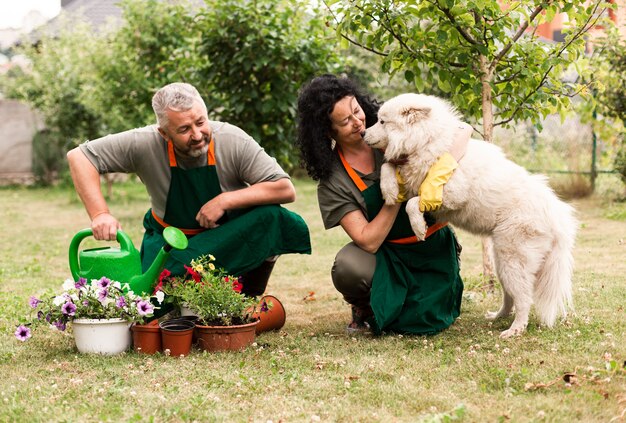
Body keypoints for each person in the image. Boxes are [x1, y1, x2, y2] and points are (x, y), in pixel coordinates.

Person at [67, 82, 311, 297]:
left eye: (201, 122)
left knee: (272, 216)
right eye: (184, 129)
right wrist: (100, 214)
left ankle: (249, 289)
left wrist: (225, 200)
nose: (197, 135)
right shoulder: (143, 143)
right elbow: (79, 156)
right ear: (163, 133)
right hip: (171, 245)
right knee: (153, 307)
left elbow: (284, 188)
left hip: (223, 240)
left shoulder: (232, 139)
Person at [296, 74, 472, 334]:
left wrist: (440, 173)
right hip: (385, 253)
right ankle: (366, 306)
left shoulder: (390, 129)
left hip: (429, 245)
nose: (358, 123)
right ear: (327, 131)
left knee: (426, 320)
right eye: (345, 121)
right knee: (348, 266)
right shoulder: (333, 181)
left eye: (357, 111)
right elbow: (368, 241)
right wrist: (395, 196)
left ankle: (437, 278)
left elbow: (463, 130)